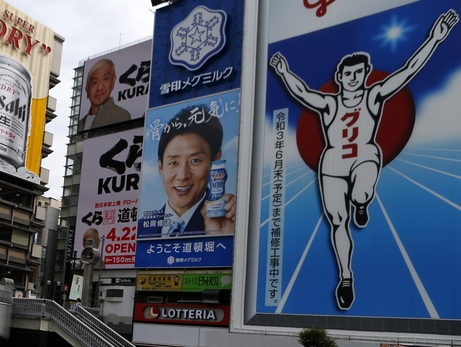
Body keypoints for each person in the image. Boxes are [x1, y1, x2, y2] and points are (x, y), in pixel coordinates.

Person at [269, 9, 457, 310]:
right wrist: (283, 72)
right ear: (340, 77)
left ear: (365, 75)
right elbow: (302, 92)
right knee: (337, 222)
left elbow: (407, 71)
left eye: (359, 73)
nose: (354, 78)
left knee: (362, 188)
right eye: (349, 74)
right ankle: (345, 277)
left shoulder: (374, 96)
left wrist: (434, 40)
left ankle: (361, 203)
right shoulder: (329, 104)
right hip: (332, 164)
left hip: (364, 156)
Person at [138, 105, 236, 239]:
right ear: (160, 166)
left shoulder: (227, 222)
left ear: (215, 159)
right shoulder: (140, 229)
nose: (183, 176)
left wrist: (222, 237)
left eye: (195, 160)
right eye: (173, 163)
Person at [77, 58, 131, 132]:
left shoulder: (121, 115)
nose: (99, 87)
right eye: (95, 82)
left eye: (105, 79)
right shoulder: (79, 124)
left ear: (113, 82)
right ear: (87, 91)